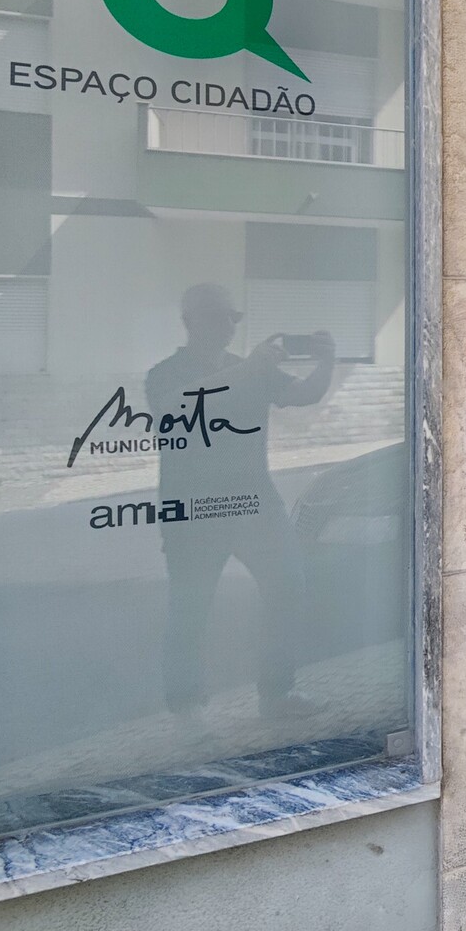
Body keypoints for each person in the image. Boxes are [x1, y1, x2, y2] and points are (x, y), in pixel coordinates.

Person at [146, 283, 335, 719]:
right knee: (191, 607)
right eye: (218, 316)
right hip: (194, 510)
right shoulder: (164, 374)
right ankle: (186, 708)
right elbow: (176, 412)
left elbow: (303, 394)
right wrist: (249, 369)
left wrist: (327, 362)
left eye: (233, 317)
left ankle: (276, 694)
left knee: (287, 585)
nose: (228, 325)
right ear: (190, 321)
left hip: (254, 501)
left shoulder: (250, 368)